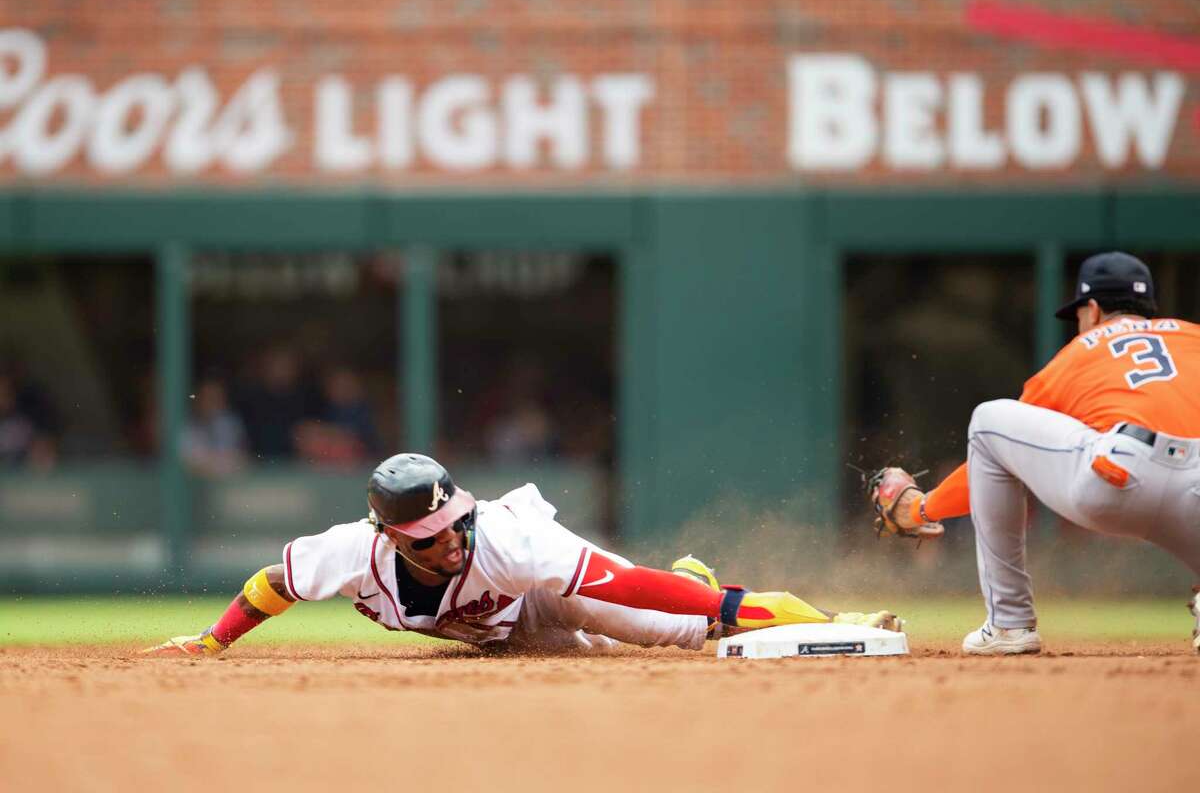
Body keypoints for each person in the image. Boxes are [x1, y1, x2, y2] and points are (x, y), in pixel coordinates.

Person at [147, 453, 900, 656]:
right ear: (387, 538)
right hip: (503, 635)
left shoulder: (506, 538)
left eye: (450, 522)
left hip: (539, 590)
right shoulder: (350, 552)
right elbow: (275, 583)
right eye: (425, 536)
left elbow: (631, 586)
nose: (446, 539)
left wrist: (722, 607)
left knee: (679, 625)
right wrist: (213, 642)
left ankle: (839, 617)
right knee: (573, 651)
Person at [874, 252, 1200, 655]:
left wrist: (922, 508)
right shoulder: (1192, 337)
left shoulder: (1080, 353)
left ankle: (1010, 624)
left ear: (1093, 310)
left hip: (1123, 474)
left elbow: (995, 451)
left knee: (989, 420)